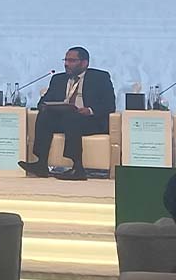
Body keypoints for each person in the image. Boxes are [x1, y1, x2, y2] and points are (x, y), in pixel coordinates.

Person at [19, 46, 115, 181]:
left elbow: (109, 105)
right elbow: (43, 101)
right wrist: (47, 107)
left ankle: (77, 168)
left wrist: (89, 110)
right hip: (63, 119)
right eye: (65, 60)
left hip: (91, 121)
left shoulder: (100, 78)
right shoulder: (58, 79)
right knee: (45, 116)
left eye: (71, 61)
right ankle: (41, 164)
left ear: (84, 63)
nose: (66, 64)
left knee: (72, 117)